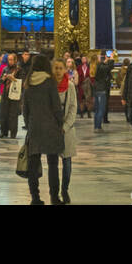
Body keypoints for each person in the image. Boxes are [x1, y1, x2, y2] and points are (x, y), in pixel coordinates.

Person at [22, 54, 65, 206]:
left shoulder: (28, 83)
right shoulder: (50, 82)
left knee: (32, 166)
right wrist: (60, 124)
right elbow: (56, 107)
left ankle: (35, 198)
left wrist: (29, 125)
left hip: (35, 128)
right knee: (53, 164)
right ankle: (54, 198)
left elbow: (25, 110)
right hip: (51, 128)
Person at [51, 58, 77, 204]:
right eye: (56, 68)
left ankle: (65, 190)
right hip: (53, 130)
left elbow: (73, 108)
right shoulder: (49, 86)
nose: (59, 71)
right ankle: (54, 192)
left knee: (67, 164)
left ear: (65, 70)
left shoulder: (71, 86)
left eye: (61, 68)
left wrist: (65, 126)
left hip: (66, 130)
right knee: (53, 164)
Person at [0, 54, 23, 138]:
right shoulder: (5, 69)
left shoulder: (19, 70)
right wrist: (4, 78)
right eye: (9, 60)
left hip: (14, 94)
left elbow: (21, 82)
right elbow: (0, 80)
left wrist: (13, 79)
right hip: (5, 94)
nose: (10, 61)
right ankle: (3, 132)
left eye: (12, 60)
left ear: (15, 60)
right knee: (3, 114)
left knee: (13, 115)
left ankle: (13, 133)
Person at [91, 51, 112, 131]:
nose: (101, 57)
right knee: (101, 109)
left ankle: (96, 126)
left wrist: (105, 61)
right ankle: (98, 126)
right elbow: (109, 67)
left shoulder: (93, 66)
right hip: (101, 89)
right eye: (99, 57)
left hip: (96, 89)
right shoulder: (99, 66)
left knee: (97, 109)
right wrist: (111, 59)